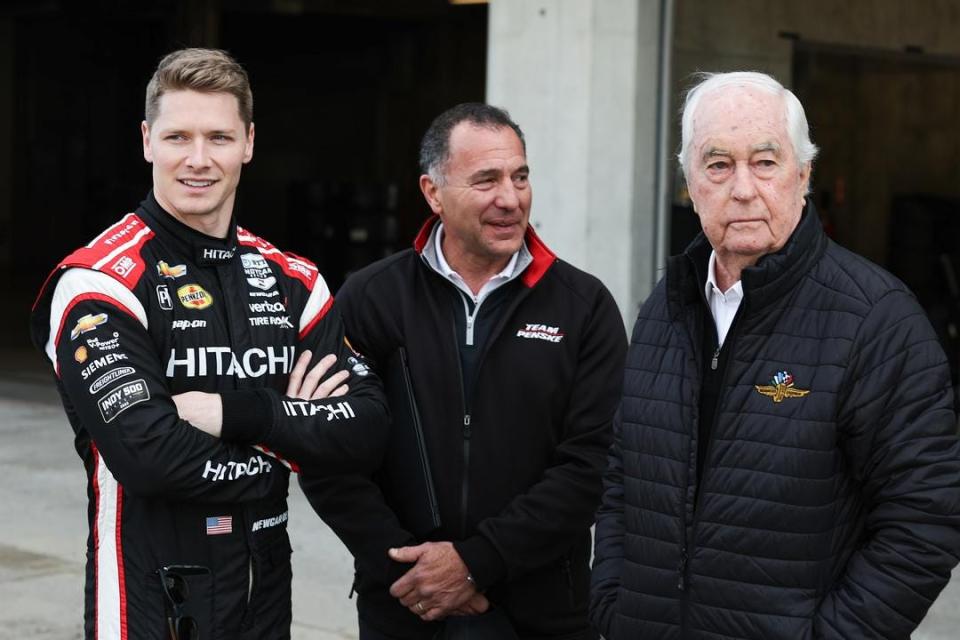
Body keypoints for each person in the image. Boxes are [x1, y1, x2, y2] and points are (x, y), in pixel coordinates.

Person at [29, 48, 388, 640]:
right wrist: (288, 447)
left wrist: (241, 415)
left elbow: (367, 428)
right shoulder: (99, 281)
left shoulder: (294, 279)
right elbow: (149, 457)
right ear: (147, 141)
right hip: (151, 603)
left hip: (266, 596)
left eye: (219, 137)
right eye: (178, 137)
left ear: (248, 142)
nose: (198, 160)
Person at [589, 71, 960, 639]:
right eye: (718, 165)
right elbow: (625, 478)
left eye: (765, 163)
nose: (742, 188)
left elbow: (925, 520)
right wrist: (613, 606)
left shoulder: (878, 319)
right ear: (689, 180)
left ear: (803, 175)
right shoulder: (666, 307)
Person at [299, 103, 627, 639]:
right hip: (403, 605)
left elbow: (593, 465)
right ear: (433, 193)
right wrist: (409, 569)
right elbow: (326, 448)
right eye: (487, 180)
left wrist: (478, 561)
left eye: (520, 177)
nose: (510, 198)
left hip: (542, 611)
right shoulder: (372, 297)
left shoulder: (583, 306)